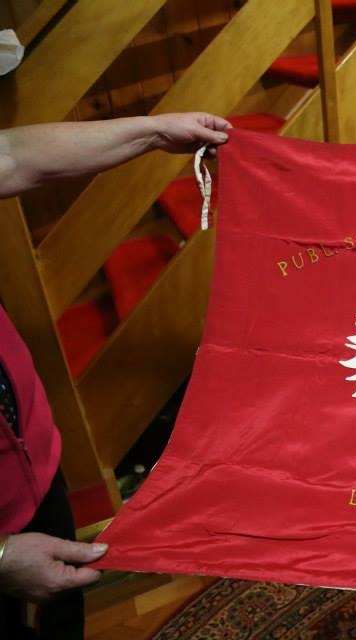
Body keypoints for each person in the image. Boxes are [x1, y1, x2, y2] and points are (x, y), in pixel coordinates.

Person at [0, 113, 231, 639]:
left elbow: (10, 155)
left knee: (63, 621)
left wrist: (154, 132)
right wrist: (2, 556)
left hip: (33, 464)